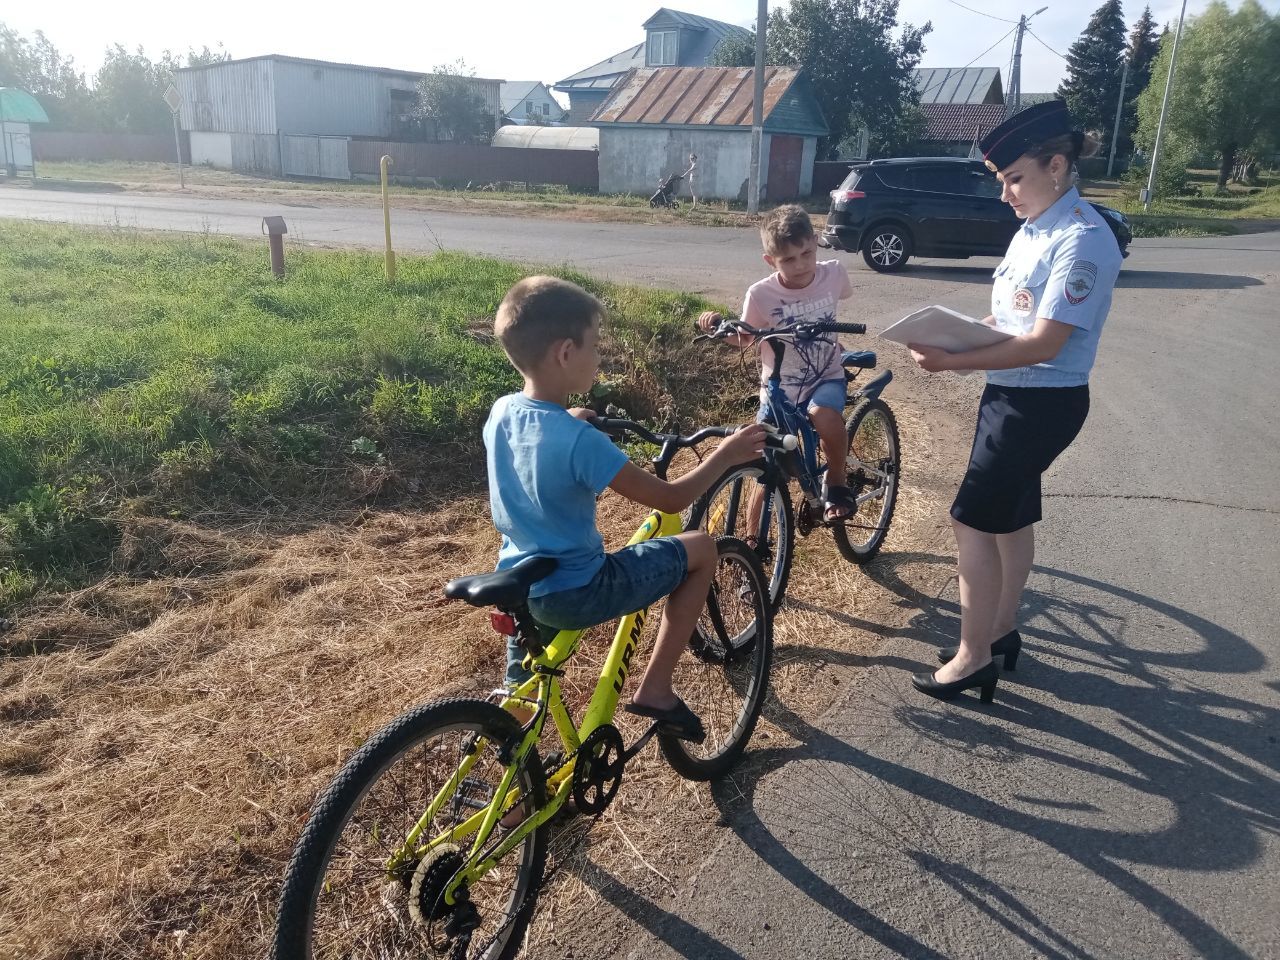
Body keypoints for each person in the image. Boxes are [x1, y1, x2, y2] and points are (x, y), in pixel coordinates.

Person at [485, 275, 768, 741]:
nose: (599, 357)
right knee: (700, 548)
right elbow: (675, 498)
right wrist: (728, 454)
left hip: (520, 584)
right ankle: (656, 687)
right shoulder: (581, 443)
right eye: (595, 346)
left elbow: (540, 447)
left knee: (520, 696)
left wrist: (569, 414)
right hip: (577, 589)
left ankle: (513, 801)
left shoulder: (502, 412)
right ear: (565, 353)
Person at [905, 100, 1123, 703]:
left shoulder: (1082, 239)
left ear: (1056, 165)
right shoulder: (1037, 228)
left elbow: (1044, 344)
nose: (1006, 194)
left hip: (1040, 403)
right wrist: (957, 330)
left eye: (1014, 179)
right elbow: (1012, 318)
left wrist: (952, 360)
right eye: (1002, 182)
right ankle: (999, 632)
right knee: (1011, 516)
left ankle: (973, 657)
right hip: (1013, 397)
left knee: (969, 519)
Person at [697, 204, 858, 522]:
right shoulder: (760, 295)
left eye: (807, 254)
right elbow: (746, 338)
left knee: (824, 415)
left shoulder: (834, 273)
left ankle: (837, 482)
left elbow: (840, 301)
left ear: (815, 242)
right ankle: (753, 543)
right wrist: (718, 329)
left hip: (825, 376)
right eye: (788, 260)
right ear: (770, 260)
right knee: (767, 467)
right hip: (779, 391)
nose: (800, 266)